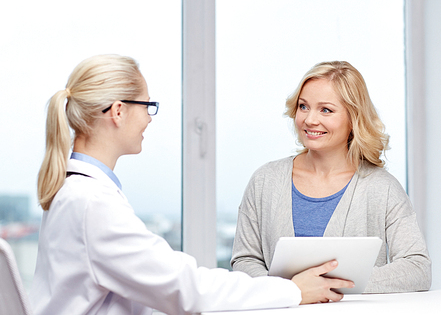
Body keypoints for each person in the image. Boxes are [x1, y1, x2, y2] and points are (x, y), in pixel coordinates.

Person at [30, 55, 354, 315]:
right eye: (147, 106)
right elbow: (188, 289)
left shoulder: (79, 192)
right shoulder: (92, 204)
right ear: (118, 111)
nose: (149, 118)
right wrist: (294, 290)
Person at [231, 61, 432, 294]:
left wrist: (330, 285)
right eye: (303, 106)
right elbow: (244, 261)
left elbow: (418, 269)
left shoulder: (382, 188)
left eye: (325, 110)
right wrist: (292, 291)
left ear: (353, 118)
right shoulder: (265, 181)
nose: (309, 120)